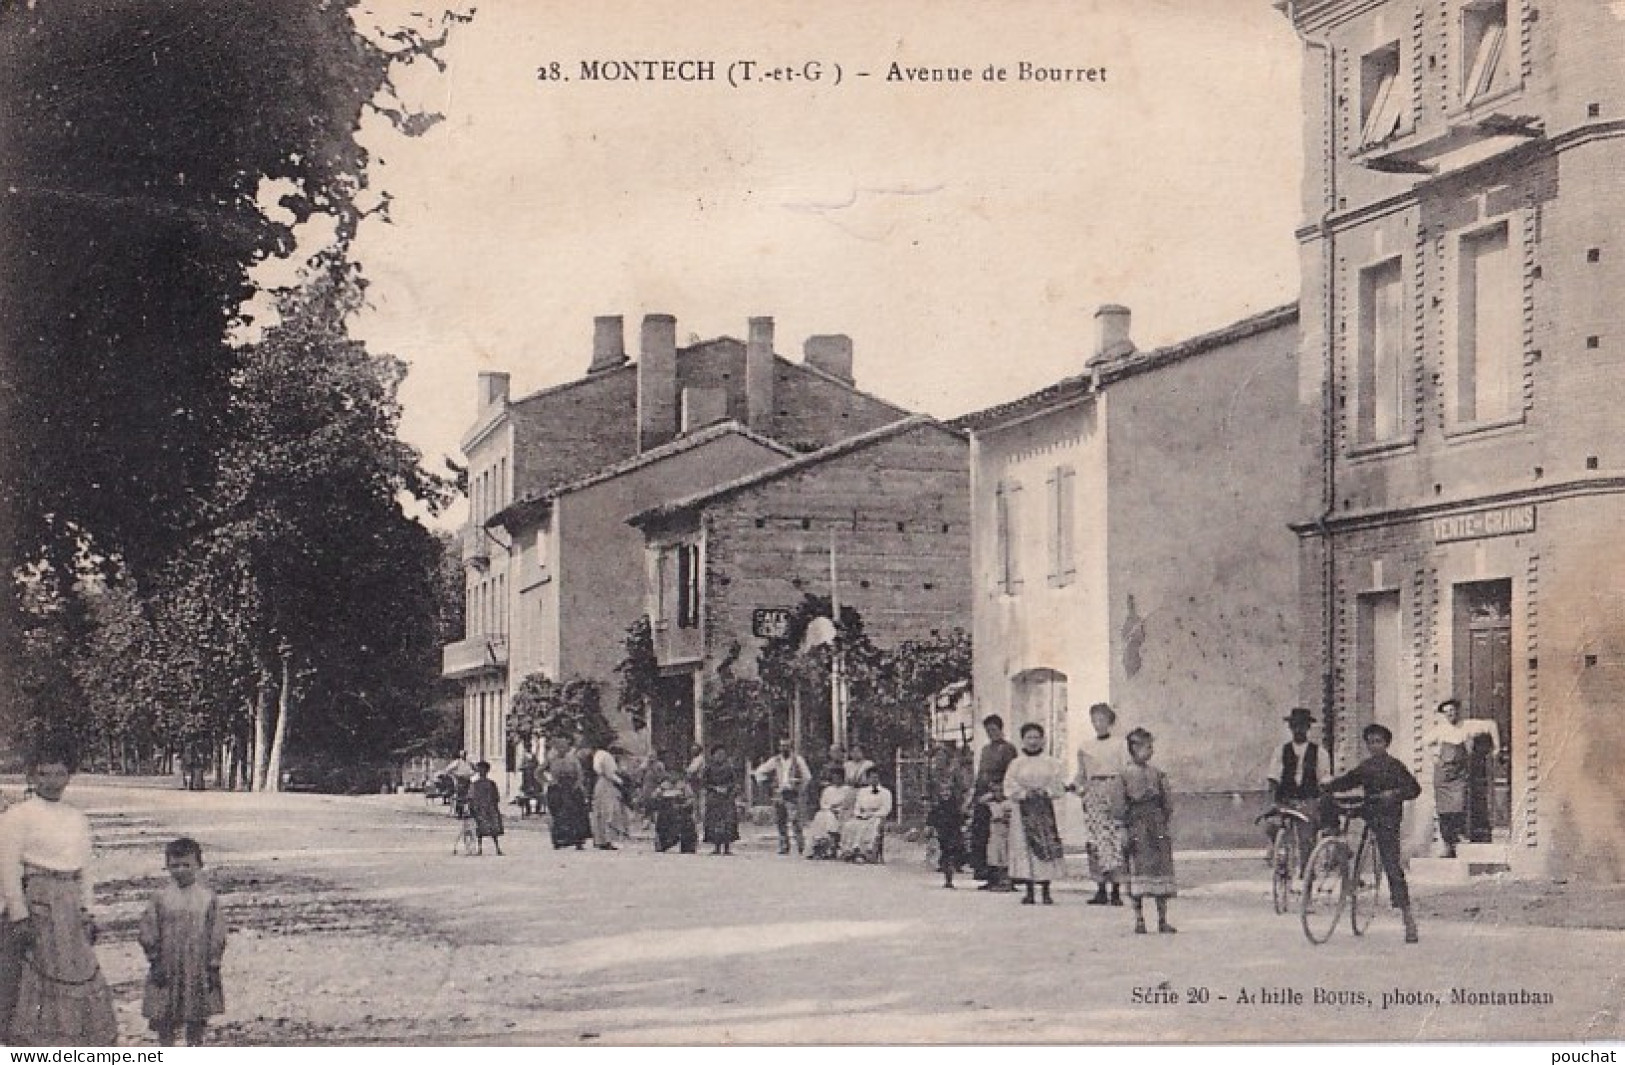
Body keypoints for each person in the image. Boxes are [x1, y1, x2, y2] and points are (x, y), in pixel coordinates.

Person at [0, 747, 117, 1046]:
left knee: (75, 970)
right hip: (36, 901)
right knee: (26, 974)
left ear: (69, 776)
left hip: (68, 904)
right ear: (32, 775)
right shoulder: (17, 816)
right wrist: (19, 915)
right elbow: (9, 868)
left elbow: (85, 869)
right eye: (44, 774)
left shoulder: (76, 818)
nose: (52, 782)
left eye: (59, 774)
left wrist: (87, 910)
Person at [1322, 722, 1424, 944]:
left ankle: (1408, 919)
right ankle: (1340, 857)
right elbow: (1348, 781)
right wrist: (1329, 786)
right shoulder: (1365, 767)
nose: (1374, 746)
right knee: (1333, 807)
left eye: (1378, 741)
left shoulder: (1395, 766)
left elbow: (1414, 789)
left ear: (1386, 743)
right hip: (1369, 811)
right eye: (1370, 742)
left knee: (1392, 867)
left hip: (1388, 819)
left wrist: (1394, 794)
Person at [139, 838, 227, 1046]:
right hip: (166, 965)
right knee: (164, 1017)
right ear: (167, 866)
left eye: (186, 865)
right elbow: (148, 929)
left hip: (197, 966)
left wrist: (213, 964)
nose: (180, 870)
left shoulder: (207, 898)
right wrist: (154, 959)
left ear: (199, 865)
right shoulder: (160, 898)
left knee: (196, 1015)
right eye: (174, 865)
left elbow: (217, 933)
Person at [1424, 698, 1499, 858]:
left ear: (1457, 710)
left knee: (1459, 806)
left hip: (1459, 776)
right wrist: (1434, 757)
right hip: (1443, 776)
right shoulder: (1439, 730)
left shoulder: (1467, 726)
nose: (1450, 714)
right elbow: (1425, 742)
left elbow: (1491, 725)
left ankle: (1458, 841)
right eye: (1446, 712)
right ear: (1443, 714)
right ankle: (1447, 846)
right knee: (1443, 812)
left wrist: (1497, 747)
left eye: (1452, 710)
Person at [1002, 722, 1068, 905]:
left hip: (1044, 811)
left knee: (1045, 846)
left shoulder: (1051, 763)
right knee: (1025, 848)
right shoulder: (1016, 764)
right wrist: (1024, 794)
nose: (1033, 741)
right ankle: (1029, 890)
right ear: (1022, 740)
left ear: (1043, 740)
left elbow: (1058, 785)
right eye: (1029, 737)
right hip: (1023, 810)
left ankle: (1046, 890)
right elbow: (1008, 785)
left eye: (1036, 737)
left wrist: (1045, 792)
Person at [1121, 728, 1178, 934]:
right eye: (1146, 747)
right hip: (1136, 826)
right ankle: (1139, 919)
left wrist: (1164, 820)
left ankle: (1162, 919)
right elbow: (1119, 804)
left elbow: (1167, 801)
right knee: (1137, 870)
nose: (1150, 751)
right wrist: (1123, 828)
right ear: (1134, 748)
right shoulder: (1124, 774)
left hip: (1157, 826)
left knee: (1161, 870)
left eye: (1151, 746)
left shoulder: (1157, 773)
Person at [1072, 702, 1129, 906]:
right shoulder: (1086, 747)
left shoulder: (1120, 744)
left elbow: (1125, 770)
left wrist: (1123, 793)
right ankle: (1100, 888)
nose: (1098, 724)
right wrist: (1079, 788)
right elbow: (1081, 774)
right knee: (1095, 840)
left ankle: (1116, 889)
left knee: (1113, 840)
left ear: (1110, 721)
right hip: (1094, 792)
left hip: (1113, 790)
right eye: (1094, 720)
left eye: (1102, 720)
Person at [1270, 707, 1324, 870]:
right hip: (1286, 799)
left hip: (1308, 799)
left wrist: (1318, 799)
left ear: (1308, 728)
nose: (1298, 729)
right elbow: (1273, 776)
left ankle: (1306, 870)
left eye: (1302, 726)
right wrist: (1274, 801)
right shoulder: (1281, 751)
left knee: (1306, 834)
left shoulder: (1319, 752)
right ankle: (1281, 858)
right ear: (1290, 728)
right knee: (1271, 826)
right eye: (1295, 726)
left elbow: (1324, 779)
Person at [969, 715, 1018, 885]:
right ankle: (987, 875)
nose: (991, 734)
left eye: (994, 730)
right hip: (982, 798)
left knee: (999, 837)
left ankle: (1002, 875)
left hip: (998, 798)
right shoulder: (985, 750)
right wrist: (974, 797)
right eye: (988, 731)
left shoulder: (1008, 749)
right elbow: (981, 775)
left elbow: (1010, 776)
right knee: (981, 835)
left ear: (1001, 729)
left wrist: (996, 794)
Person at [753, 739, 813, 855]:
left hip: (792, 793)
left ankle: (801, 846)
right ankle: (784, 846)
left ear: (791, 747)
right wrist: (767, 785)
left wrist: (800, 788)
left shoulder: (798, 760)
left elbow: (807, 776)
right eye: (782, 746)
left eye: (787, 746)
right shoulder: (775, 760)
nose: (784, 748)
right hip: (779, 793)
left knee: (795, 820)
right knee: (780, 820)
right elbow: (760, 772)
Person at [925, 744, 969, 888]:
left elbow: (962, 789)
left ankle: (953, 865)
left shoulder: (954, 773)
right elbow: (927, 793)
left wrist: (962, 806)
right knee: (942, 841)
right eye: (937, 757)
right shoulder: (931, 774)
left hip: (953, 809)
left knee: (954, 840)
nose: (939, 759)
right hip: (938, 811)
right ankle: (946, 869)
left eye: (942, 756)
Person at [543, 738, 592, 850]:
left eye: (564, 747)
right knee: (558, 815)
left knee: (576, 815)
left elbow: (580, 774)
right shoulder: (551, 760)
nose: (561, 750)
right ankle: (559, 840)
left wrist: (577, 785)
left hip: (572, 789)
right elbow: (538, 772)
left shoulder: (573, 760)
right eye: (559, 747)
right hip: (557, 789)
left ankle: (578, 841)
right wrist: (548, 782)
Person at [838, 767, 893, 863]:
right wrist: (859, 814)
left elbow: (886, 809)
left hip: (877, 817)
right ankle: (850, 851)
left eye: (876, 778)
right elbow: (857, 807)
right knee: (850, 825)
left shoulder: (886, 792)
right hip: (863, 816)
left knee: (871, 826)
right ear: (867, 779)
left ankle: (865, 853)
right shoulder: (862, 792)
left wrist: (873, 814)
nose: (874, 780)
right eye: (871, 778)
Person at [806, 766, 852, 860]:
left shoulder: (847, 790)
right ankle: (818, 845)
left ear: (842, 778)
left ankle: (829, 847)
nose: (836, 780)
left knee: (828, 817)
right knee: (821, 816)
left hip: (841, 813)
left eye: (838, 778)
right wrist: (829, 808)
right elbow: (823, 803)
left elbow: (847, 804)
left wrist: (837, 809)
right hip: (828, 811)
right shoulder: (828, 789)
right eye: (834, 777)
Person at [701, 746, 740, 855]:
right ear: (713, 756)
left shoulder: (729, 768)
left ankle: (727, 847)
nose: (720, 756)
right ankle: (716, 846)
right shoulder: (708, 768)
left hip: (727, 798)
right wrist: (714, 788)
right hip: (714, 798)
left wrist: (728, 789)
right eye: (718, 754)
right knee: (714, 823)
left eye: (722, 754)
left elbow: (735, 782)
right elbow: (704, 782)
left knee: (728, 823)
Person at [590, 747, 631, 850]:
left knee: (600, 812)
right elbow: (610, 774)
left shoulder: (599, 755)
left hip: (600, 785)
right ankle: (608, 840)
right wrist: (621, 782)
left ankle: (600, 839)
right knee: (609, 812)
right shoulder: (606, 757)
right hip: (607, 786)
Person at [650, 769, 698, 854]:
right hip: (666, 812)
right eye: (671, 774)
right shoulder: (663, 786)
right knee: (662, 823)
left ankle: (688, 846)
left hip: (681, 811)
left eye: (675, 774)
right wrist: (659, 798)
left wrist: (683, 805)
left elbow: (691, 798)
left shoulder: (684, 786)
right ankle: (663, 843)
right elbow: (654, 796)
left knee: (687, 824)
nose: (673, 776)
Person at [467, 761, 505, 856]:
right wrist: (471, 808)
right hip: (480, 809)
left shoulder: (491, 784)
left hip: (489, 808)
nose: (482, 772)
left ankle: (497, 849)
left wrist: (495, 807)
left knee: (493, 830)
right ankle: (480, 849)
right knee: (480, 830)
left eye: (483, 770)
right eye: (480, 770)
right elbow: (471, 797)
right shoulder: (475, 784)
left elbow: (496, 797)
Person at [442, 750, 476, 816]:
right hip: (460, 781)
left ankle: (469, 811)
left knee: (469, 795)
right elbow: (448, 769)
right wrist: (455, 775)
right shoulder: (457, 762)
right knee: (460, 796)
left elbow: (475, 769)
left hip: (468, 780)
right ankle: (459, 811)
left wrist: (472, 773)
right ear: (460, 755)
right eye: (463, 755)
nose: (464, 756)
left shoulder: (469, 762)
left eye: (465, 754)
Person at [517, 748, 543, 816]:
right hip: (528, 783)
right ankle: (529, 810)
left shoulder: (533, 765)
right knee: (526, 796)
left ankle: (536, 810)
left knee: (538, 796)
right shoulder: (526, 763)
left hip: (534, 783)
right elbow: (520, 768)